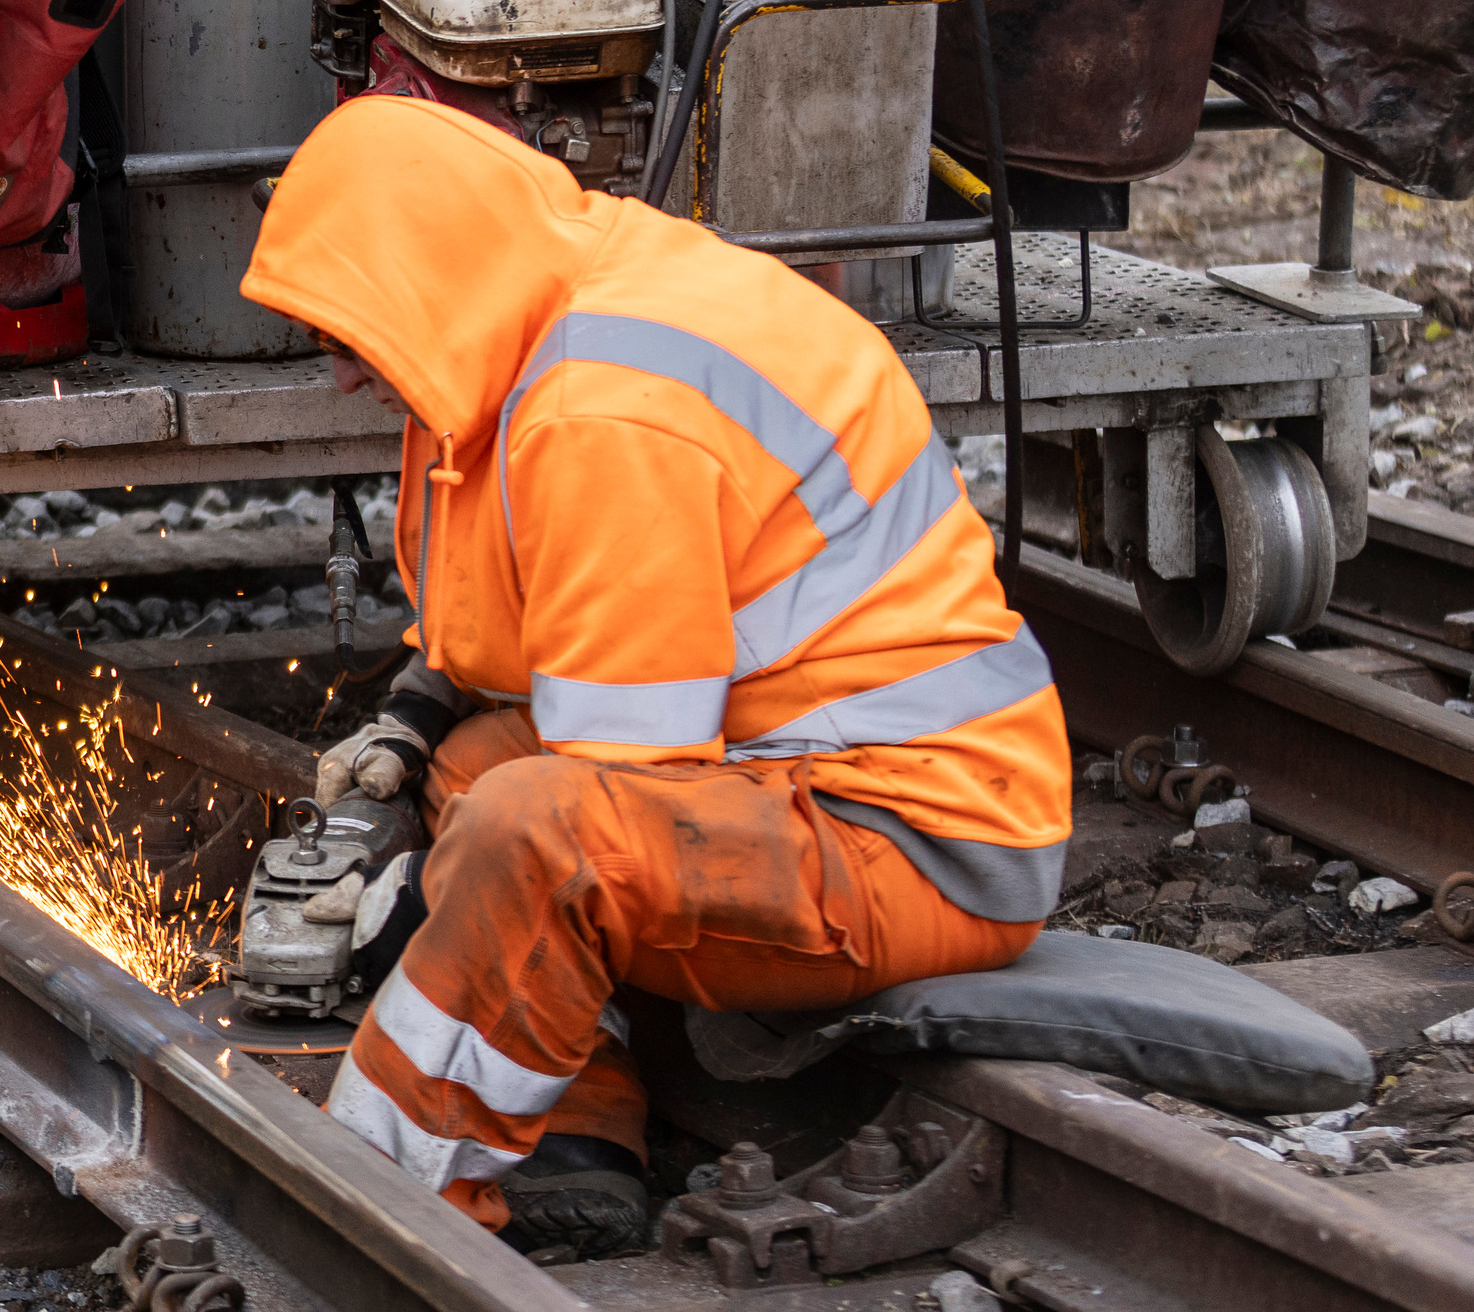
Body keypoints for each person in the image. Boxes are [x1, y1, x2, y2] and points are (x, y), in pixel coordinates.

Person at [239, 94, 1069, 1259]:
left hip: (917, 835)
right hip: (832, 772)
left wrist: (420, 918)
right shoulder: (566, 296)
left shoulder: (600, 405)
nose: (339, 376)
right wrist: (420, 721)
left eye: (345, 336)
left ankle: (384, 1199)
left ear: (427, 276)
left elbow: (606, 783)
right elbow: (534, 629)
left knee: (524, 830)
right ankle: (572, 1144)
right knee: (479, 775)